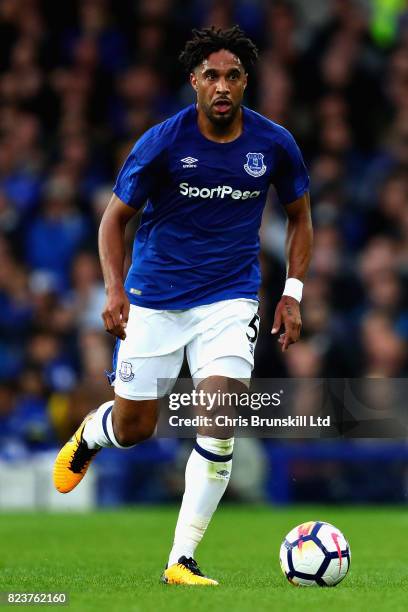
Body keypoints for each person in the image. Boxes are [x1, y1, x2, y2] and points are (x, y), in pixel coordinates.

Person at [53, 26, 313, 586]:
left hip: (231, 298)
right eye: (212, 75)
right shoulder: (163, 142)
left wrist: (292, 293)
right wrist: (115, 289)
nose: (222, 85)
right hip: (156, 298)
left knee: (219, 419)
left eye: (233, 76)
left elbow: (300, 215)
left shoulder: (274, 144)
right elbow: (113, 221)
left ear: (247, 82)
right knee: (135, 426)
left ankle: (181, 559)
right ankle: (93, 434)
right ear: (194, 80)